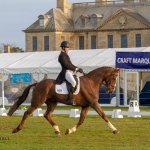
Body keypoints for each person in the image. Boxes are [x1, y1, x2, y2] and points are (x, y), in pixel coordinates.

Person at [55, 41, 84, 105]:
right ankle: (69, 99)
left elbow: (70, 64)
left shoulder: (65, 55)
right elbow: (66, 65)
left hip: (70, 72)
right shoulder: (61, 56)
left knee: (77, 79)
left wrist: (78, 68)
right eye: (67, 47)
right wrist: (76, 69)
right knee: (73, 83)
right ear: (63, 48)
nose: (68, 49)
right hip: (66, 72)